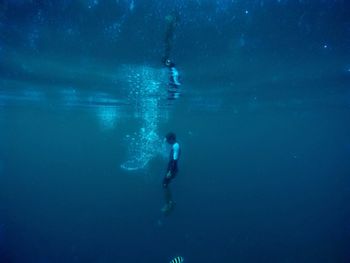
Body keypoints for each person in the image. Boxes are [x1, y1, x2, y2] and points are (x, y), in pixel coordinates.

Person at [162, 132, 181, 215]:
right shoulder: (175, 145)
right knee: (165, 184)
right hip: (172, 168)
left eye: (168, 140)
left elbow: (174, 160)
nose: (167, 142)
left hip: (172, 169)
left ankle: (169, 203)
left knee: (165, 184)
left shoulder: (176, 146)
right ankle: (169, 202)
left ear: (172, 139)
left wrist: (170, 171)